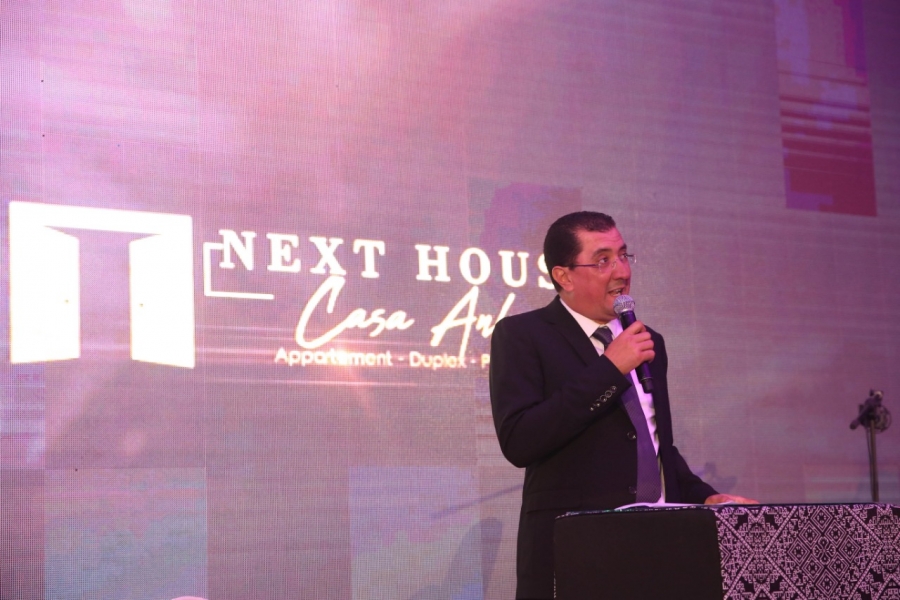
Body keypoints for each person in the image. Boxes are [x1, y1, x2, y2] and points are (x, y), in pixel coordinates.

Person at [489, 211, 756, 599]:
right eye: (603, 260)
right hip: (577, 550)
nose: (622, 271)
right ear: (564, 276)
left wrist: (703, 496)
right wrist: (610, 369)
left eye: (623, 255)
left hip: (660, 547)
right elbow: (520, 440)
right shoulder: (522, 335)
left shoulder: (647, 340)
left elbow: (654, 444)